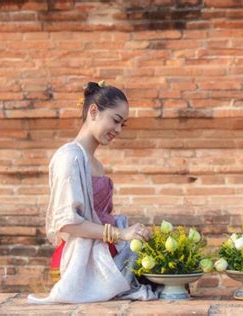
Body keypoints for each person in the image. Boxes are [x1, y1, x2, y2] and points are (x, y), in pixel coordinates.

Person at [28, 81, 157, 304]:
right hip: (81, 258)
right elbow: (66, 223)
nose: (118, 130)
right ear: (94, 111)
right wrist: (121, 234)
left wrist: (129, 231)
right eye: (115, 120)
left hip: (105, 253)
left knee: (164, 268)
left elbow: (101, 217)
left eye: (122, 125)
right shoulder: (69, 157)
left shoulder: (95, 164)